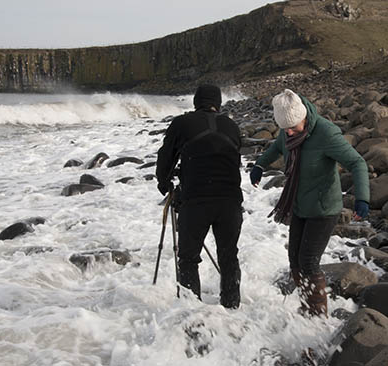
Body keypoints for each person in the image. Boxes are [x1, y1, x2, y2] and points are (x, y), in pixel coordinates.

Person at [249, 89, 370, 317]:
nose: (289, 132)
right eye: (285, 129)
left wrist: (362, 198)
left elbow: (357, 163)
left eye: (293, 127)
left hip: (324, 208)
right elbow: (277, 147)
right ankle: (308, 307)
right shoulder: (288, 131)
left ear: (304, 116)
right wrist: (259, 165)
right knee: (294, 259)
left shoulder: (326, 133)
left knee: (308, 261)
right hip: (299, 205)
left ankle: (318, 317)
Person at [156, 84, 243, 309]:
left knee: (188, 259)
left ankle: (192, 312)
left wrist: (165, 185)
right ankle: (232, 309)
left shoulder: (182, 123)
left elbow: (165, 157)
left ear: (195, 102)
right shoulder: (232, 126)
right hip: (230, 201)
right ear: (219, 103)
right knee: (228, 256)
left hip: (196, 201)